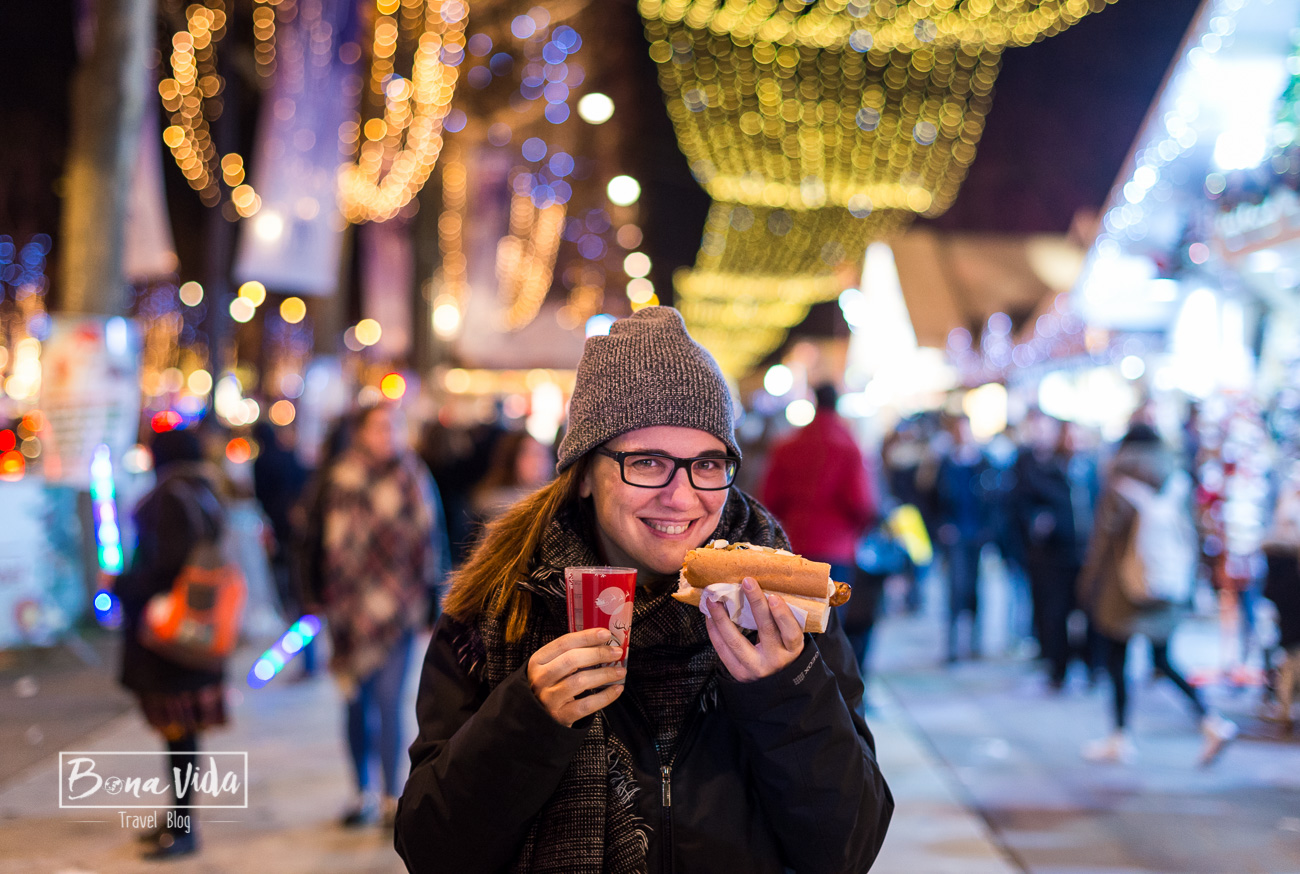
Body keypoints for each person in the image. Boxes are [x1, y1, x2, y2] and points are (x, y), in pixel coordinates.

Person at [395, 307, 893, 874]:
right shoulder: (497, 610)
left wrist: (786, 693)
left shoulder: (782, 614)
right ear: (585, 473)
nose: (681, 497)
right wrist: (526, 721)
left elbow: (847, 850)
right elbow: (431, 852)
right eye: (648, 462)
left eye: (708, 464)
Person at [1077, 423, 1238, 765]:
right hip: (1168, 586)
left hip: (1122, 590)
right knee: (1163, 658)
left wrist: (1088, 582)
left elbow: (1103, 541)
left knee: (1117, 660)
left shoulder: (1119, 482)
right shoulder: (1177, 480)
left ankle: (1120, 736)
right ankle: (1210, 720)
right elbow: (1193, 534)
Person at [321, 404, 441, 827]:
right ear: (361, 432)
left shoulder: (413, 476)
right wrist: (316, 595)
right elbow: (322, 542)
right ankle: (362, 793)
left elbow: (430, 539)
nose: (385, 434)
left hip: (398, 607)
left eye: (392, 426)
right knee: (356, 702)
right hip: (349, 608)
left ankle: (392, 797)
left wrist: (432, 601)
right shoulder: (342, 476)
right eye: (377, 427)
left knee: (390, 702)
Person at [115, 428, 229, 859]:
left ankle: (183, 827)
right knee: (183, 735)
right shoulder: (206, 491)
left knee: (178, 735)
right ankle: (179, 820)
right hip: (199, 631)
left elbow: (165, 566)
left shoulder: (170, 496)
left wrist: (120, 585)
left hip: (171, 639)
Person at [760, 382, 878, 669]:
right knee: (831, 631)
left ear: (814, 402)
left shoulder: (788, 446)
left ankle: (798, 686)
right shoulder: (849, 447)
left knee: (794, 630)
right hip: (836, 551)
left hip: (795, 547)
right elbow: (862, 503)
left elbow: (769, 498)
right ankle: (829, 689)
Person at [1013, 410, 1085, 688]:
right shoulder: (1035, 467)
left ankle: (1085, 662)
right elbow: (1019, 508)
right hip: (1052, 555)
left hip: (1081, 551)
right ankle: (1057, 667)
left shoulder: (1084, 468)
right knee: (1054, 613)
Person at [934, 414, 993, 663]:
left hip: (976, 535)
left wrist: (988, 529)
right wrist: (942, 525)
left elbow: (993, 500)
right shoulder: (945, 464)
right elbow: (933, 499)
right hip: (955, 535)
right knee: (955, 589)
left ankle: (975, 643)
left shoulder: (983, 463)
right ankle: (953, 645)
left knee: (975, 588)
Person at [469, 429, 556, 525]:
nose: (541, 461)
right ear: (512, 459)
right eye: (533, 454)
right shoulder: (494, 505)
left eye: (545, 454)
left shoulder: (554, 502)